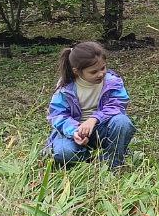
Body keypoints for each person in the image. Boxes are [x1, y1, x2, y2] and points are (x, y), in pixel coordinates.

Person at [46, 41, 136, 169]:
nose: (101, 74)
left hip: (102, 128)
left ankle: (113, 162)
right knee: (63, 153)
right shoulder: (65, 88)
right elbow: (57, 115)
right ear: (77, 71)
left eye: (103, 68)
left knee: (122, 122)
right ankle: (93, 160)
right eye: (93, 72)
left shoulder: (112, 81)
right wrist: (75, 131)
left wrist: (94, 119)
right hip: (75, 133)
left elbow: (117, 105)